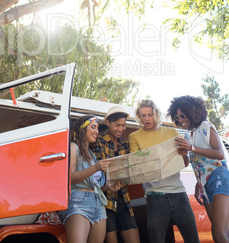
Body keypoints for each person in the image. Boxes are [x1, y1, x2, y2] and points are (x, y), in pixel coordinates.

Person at [129, 99, 200, 243]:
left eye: (150, 114)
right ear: (139, 116)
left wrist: (184, 154)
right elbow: (136, 167)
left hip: (179, 193)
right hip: (155, 196)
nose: (147, 119)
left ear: (156, 114)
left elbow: (184, 163)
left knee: (193, 239)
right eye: (143, 115)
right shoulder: (134, 136)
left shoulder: (172, 132)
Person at [168, 95, 229, 243]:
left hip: (218, 178)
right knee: (220, 234)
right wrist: (198, 185)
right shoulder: (192, 134)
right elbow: (197, 164)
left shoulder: (206, 126)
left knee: (219, 234)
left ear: (193, 112)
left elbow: (220, 154)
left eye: (183, 115)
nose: (180, 119)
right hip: (205, 185)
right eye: (177, 117)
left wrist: (192, 148)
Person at [60, 115, 121, 243]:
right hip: (79, 203)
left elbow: (93, 185)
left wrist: (108, 187)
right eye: (93, 127)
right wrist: (95, 168)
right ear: (82, 130)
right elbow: (69, 178)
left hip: (98, 205)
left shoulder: (91, 154)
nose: (97, 132)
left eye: (97, 128)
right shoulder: (73, 147)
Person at [91, 105, 140, 243]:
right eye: (117, 125)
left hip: (123, 197)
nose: (121, 129)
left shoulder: (125, 143)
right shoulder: (99, 141)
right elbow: (100, 170)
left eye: (123, 125)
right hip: (105, 200)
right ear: (108, 123)